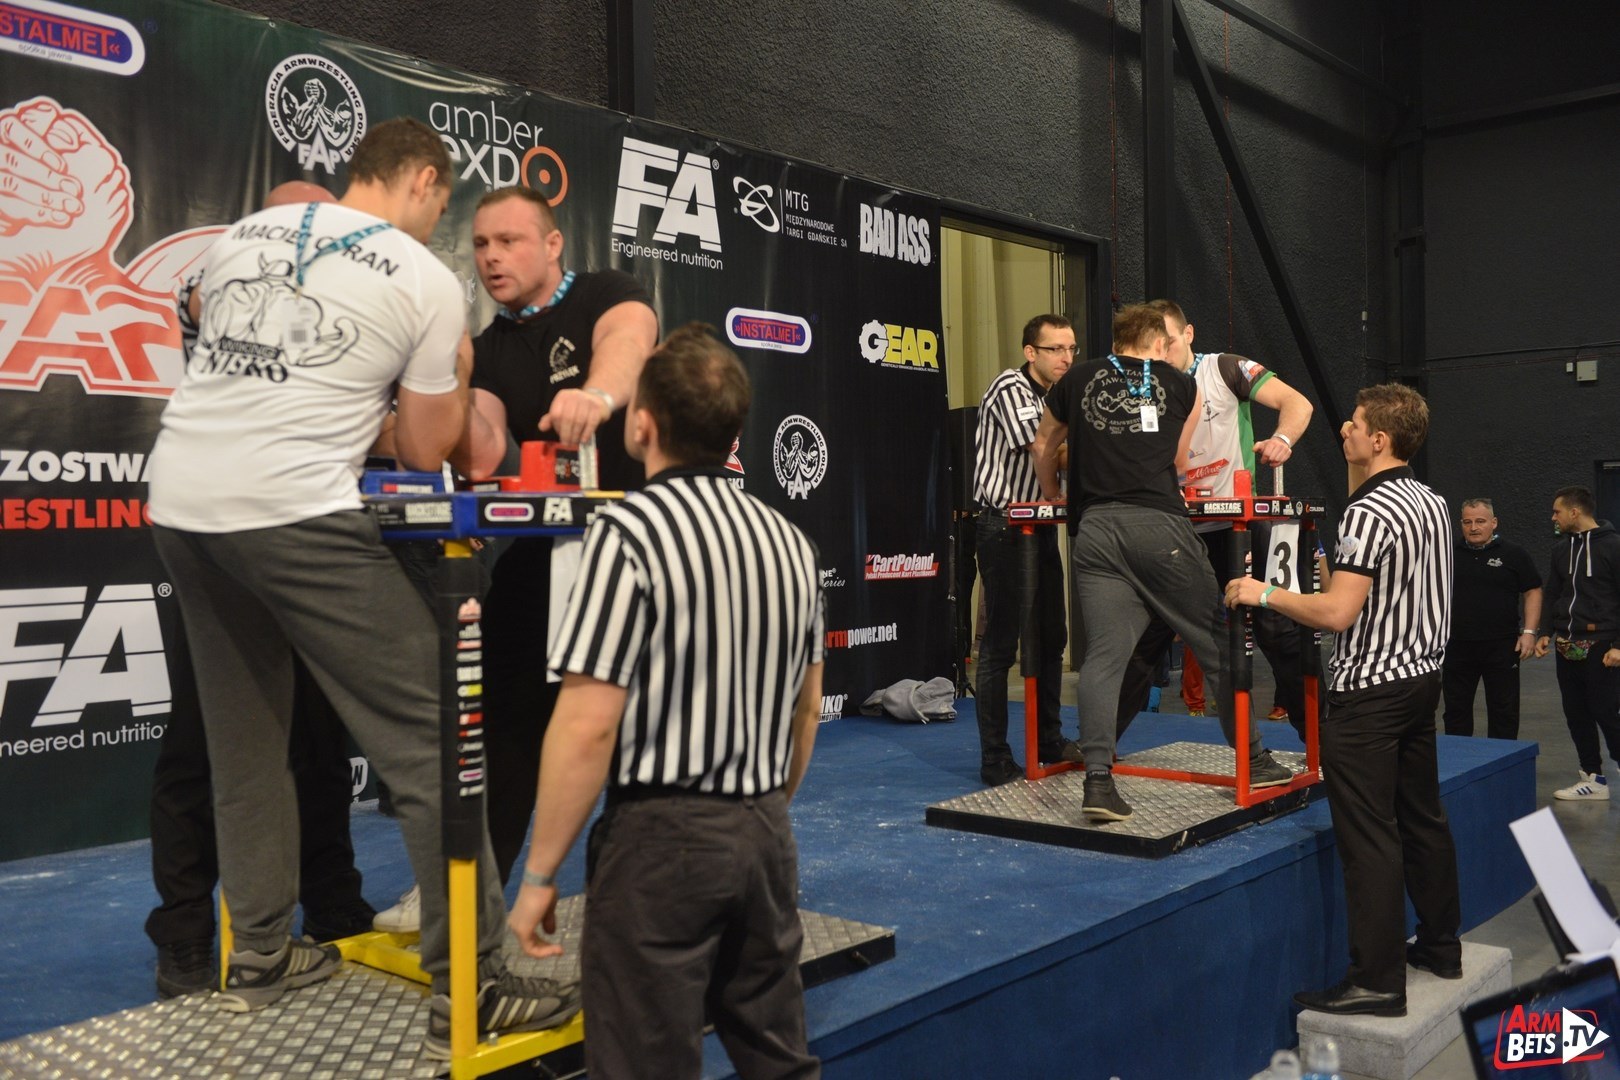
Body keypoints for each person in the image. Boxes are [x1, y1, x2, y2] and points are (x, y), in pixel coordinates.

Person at [146, 118, 576, 1053]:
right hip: (292, 507)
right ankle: (474, 983)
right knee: (433, 738)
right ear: (423, 181)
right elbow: (424, 452)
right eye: (444, 206)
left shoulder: (241, 238)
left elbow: (220, 345)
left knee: (245, 740)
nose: (444, 227)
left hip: (180, 503)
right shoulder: (422, 278)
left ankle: (260, 955)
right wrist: (452, 377)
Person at [509, 324, 824, 1080]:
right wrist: (761, 811)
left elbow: (587, 725)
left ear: (642, 424)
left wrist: (539, 874)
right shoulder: (792, 542)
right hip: (764, 832)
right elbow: (806, 709)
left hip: (661, 841)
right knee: (780, 1060)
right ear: (734, 429)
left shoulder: (626, 532)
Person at [373, 184, 659, 932]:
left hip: (635, 553)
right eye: (481, 245)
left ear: (553, 244)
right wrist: (450, 373)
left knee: (639, 738)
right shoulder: (491, 345)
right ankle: (472, 894)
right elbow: (483, 451)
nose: (492, 257)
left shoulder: (605, 293)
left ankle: (648, 892)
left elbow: (629, 344)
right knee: (499, 725)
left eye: (510, 241)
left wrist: (597, 396)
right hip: (542, 558)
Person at [147, 180, 376, 999]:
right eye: (294, 224)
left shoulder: (334, 296)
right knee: (197, 744)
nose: (308, 239)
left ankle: (334, 904)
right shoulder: (222, 277)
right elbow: (210, 305)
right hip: (214, 531)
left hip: (303, 526)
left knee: (317, 736)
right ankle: (184, 936)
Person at [1227, 383, 1460, 1017]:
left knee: (1369, 838)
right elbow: (1376, 588)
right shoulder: (1433, 502)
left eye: (1354, 425)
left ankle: (1376, 981)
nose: (1344, 431)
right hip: (1421, 682)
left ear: (1379, 440)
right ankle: (1441, 946)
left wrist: (1261, 592)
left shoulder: (1367, 511)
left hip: (1370, 696)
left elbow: (1335, 613)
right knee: (1422, 817)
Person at [1031, 304, 1292, 822]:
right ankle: (1255, 759)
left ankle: (1098, 780)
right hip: (1158, 526)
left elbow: (1043, 446)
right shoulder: (1180, 384)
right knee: (1216, 642)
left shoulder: (1076, 380)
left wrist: (1052, 495)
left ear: (1117, 342)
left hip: (1094, 532)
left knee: (1104, 657)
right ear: (1157, 344)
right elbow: (1177, 460)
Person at [1117, 299, 1315, 740]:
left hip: (1237, 529)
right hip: (1178, 530)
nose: (1161, 352)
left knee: (1276, 630)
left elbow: (1296, 402)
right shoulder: (1142, 385)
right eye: (1154, 344)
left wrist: (1283, 439)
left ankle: (1322, 743)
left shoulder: (1225, 368)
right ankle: (1100, 745)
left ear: (1188, 334)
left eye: (1169, 342)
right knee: (1148, 637)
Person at [970, 314, 1080, 785]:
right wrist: (1107, 446)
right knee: (1000, 646)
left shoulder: (1060, 395)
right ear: (1030, 352)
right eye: (1055, 349)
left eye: (1071, 349)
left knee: (1052, 637)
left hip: (1041, 528)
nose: (1066, 358)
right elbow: (1044, 449)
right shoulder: (1010, 388)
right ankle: (995, 757)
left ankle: (1049, 738)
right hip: (1004, 527)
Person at [1533, 485, 1620, 801]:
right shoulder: (1561, 549)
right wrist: (1545, 632)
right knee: (1576, 713)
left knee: (1606, 712)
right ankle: (1593, 779)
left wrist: (1618, 645)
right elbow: (1553, 593)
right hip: (1566, 644)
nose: (1553, 517)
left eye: (1557, 511)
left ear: (1574, 512)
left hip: (1602, 644)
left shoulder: (1614, 546)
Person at [1442, 498, 1543, 740]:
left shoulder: (1514, 554)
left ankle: (1503, 760)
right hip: (1456, 645)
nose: (1473, 528)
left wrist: (1529, 632)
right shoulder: (1447, 554)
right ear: (1461, 524)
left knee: (1504, 712)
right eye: (1467, 522)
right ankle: (1459, 760)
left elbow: (1533, 591)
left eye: (1480, 521)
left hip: (1502, 646)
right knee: (1455, 711)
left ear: (1494, 523)